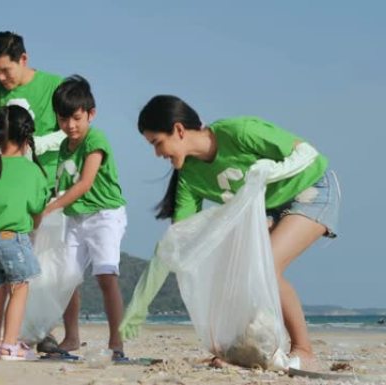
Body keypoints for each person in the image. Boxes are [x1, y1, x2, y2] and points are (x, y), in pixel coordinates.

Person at [120, 95, 341, 368]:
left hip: (313, 189)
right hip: (267, 208)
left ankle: (303, 350)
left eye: (157, 143)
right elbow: (176, 241)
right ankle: (242, 348)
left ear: (178, 130)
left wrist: (272, 171)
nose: (157, 153)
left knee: (267, 266)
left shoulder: (238, 131)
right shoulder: (189, 177)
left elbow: (307, 153)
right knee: (232, 270)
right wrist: (140, 303)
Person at [42, 75, 128, 359]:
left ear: (91, 113)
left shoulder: (95, 139)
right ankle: (71, 338)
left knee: (105, 275)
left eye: (77, 118)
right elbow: (56, 186)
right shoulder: (64, 147)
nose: (71, 125)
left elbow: (84, 183)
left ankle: (117, 341)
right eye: (64, 119)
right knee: (68, 279)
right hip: (76, 218)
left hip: (105, 215)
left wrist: (50, 208)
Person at [0, 103, 50, 359]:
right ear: (27, 137)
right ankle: (9, 345)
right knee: (19, 287)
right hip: (11, 238)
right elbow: (38, 207)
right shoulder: (33, 171)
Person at [0, 31, 64, 189]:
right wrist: (14, 153)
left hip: (54, 188)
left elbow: (76, 130)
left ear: (23, 59)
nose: (0, 77)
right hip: (10, 187)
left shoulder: (56, 86)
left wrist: (42, 144)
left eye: (6, 70)